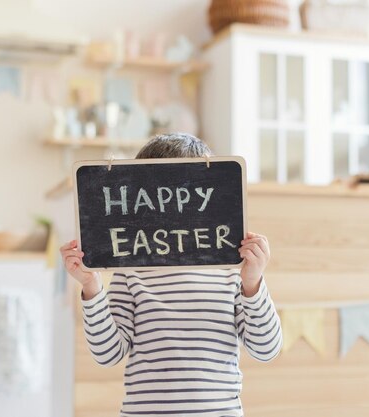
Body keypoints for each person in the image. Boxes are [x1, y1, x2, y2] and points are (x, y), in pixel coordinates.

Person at [61, 133, 283, 416]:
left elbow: (266, 349)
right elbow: (108, 354)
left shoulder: (229, 270)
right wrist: (91, 286)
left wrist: (252, 283)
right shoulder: (131, 271)